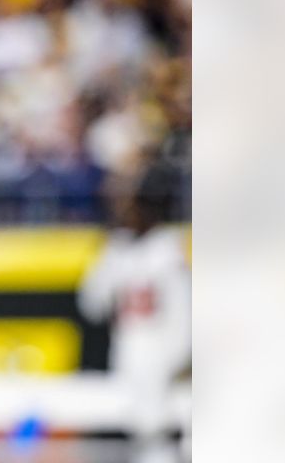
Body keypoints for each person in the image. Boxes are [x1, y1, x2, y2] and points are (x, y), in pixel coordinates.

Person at [79, 170, 191, 463]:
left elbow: (181, 310)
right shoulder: (118, 250)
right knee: (137, 427)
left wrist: (179, 354)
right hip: (129, 345)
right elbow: (91, 302)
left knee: (158, 429)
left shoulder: (169, 250)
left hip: (160, 347)